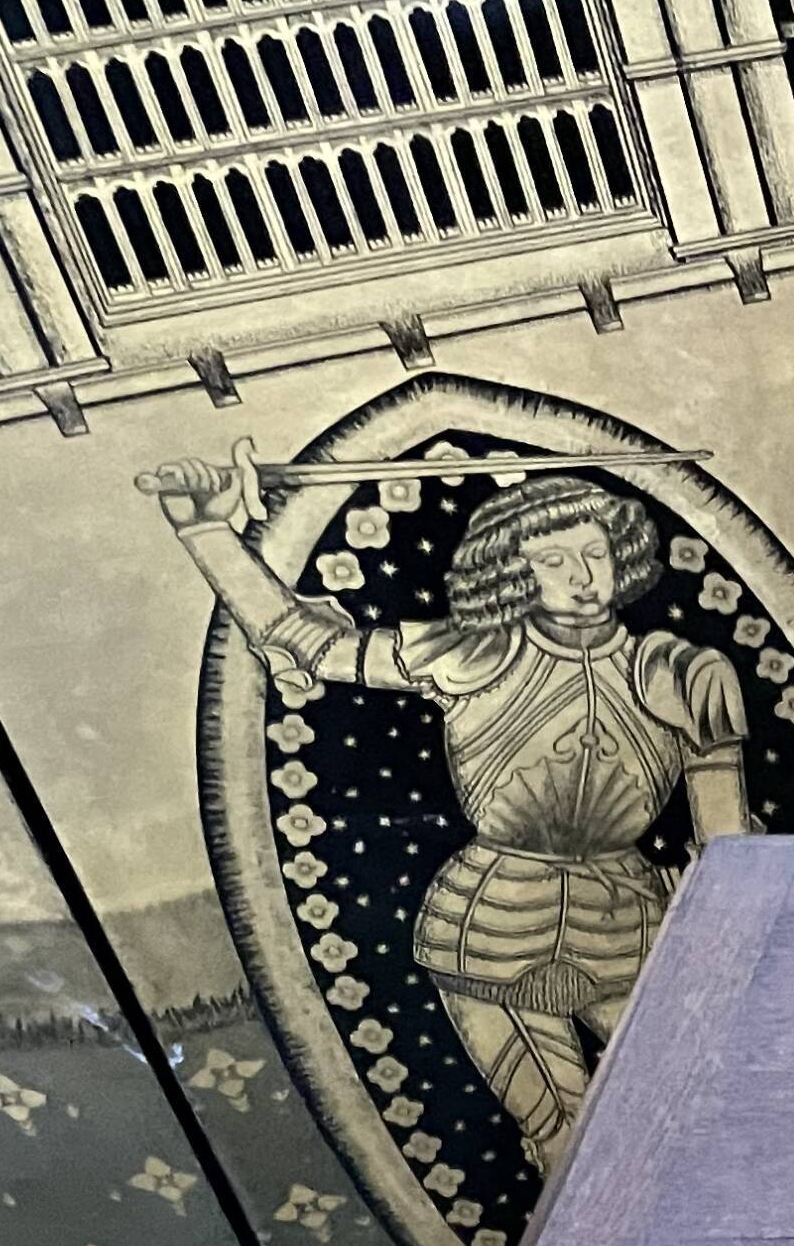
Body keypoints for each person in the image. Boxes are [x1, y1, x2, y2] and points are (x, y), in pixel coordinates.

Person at [140, 439, 752, 1173]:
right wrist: (207, 531)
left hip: (632, 927)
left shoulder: (684, 670)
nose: (583, 578)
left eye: (594, 553)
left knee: (700, 1117)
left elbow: (732, 850)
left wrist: (721, 942)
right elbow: (300, 642)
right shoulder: (471, 654)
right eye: (554, 561)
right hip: (487, 931)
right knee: (564, 1144)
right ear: (514, 572)